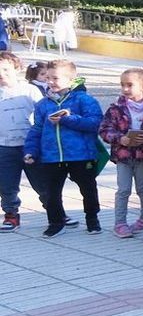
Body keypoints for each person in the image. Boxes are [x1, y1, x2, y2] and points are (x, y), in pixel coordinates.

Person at [24, 59, 103, 237]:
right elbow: (36, 129)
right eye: (48, 78)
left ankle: (92, 219)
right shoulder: (43, 104)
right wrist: (30, 151)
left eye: (56, 78)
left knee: (88, 188)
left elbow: (95, 123)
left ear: (70, 80)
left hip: (81, 155)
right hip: (51, 156)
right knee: (51, 192)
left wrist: (68, 119)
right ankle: (55, 222)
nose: (50, 82)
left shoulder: (84, 99)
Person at [100, 67, 143, 238]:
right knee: (123, 190)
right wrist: (120, 139)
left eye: (129, 85)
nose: (125, 89)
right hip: (123, 157)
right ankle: (120, 223)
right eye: (122, 85)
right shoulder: (116, 108)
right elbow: (104, 129)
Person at [0, 51, 36, 231]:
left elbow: (42, 115)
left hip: (29, 145)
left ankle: (56, 212)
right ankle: (11, 215)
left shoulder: (29, 90)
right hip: (4, 146)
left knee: (42, 182)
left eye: (6, 69)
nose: (1, 74)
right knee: (7, 184)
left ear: (17, 69)